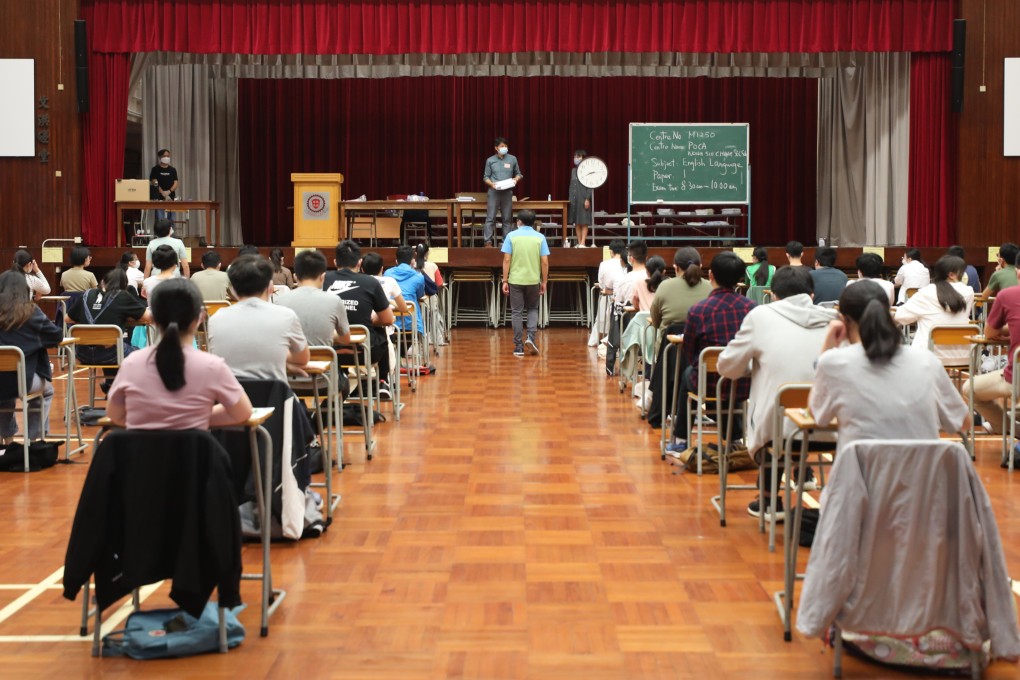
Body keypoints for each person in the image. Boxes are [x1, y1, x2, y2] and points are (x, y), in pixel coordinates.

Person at [718, 267, 835, 519]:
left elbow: (728, 367)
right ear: (811, 295)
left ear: (772, 294)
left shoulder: (760, 315)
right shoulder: (835, 321)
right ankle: (815, 483)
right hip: (831, 429)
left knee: (773, 415)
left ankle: (770, 501)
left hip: (778, 431)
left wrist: (754, 365)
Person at [811, 280, 970, 453]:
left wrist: (827, 348)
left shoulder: (833, 362)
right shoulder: (927, 361)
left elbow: (817, 417)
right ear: (887, 314)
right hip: (922, 476)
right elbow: (963, 422)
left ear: (843, 320)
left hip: (861, 476)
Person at [106, 279, 252, 430]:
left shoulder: (131, 363)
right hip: (194, 452)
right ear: (201, 317)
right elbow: (242, 412)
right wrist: (195, 418)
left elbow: (115, 414)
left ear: (153, 318)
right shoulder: (213, 366)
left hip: (141, 453)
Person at [668, 252, 756, 452]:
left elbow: (690, 353)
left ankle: (681, 439)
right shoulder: (752, 308)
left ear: (710, 276)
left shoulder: (699, 310)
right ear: (740, 279)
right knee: (728, 380)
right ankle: (734, 438)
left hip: (706, 383)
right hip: (746, 383)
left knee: (688, 374)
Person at [208, 255, 309, 382]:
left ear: (232, 290)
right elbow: (302, 359)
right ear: (271, 287)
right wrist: (277, 356)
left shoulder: (216, 319)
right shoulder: (286, 316)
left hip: (227, 399)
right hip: (274, 398)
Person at [324, 240, 396, 398]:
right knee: (380, 331)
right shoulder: (370, 282)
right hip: (364, 351)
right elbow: (388, 320)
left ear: (335, 261)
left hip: (328, 351)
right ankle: (383, 381)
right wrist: (367, 319)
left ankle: (340, 378)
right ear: (359, 262)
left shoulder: (323, 280)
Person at [0, 271, 63, 445]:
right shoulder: (30, 311)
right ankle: (31, 441)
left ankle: (7, 440)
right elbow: (56, 336)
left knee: (4, 396)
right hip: (23, 380)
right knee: (45, 391)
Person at [963, 251, 1020, 441]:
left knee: (968, 388)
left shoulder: (1008, 294)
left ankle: (1008, 429)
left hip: (1016, 378)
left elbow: (988, 333)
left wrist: (1007, 328)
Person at [66, 268, 151, 391]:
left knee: (113, 346)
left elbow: (67, 319)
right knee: (138, 353)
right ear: (124, 285)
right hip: (111, 354)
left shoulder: (87, 294)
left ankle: (111, 383)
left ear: (103, 281)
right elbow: (147, 317)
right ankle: (121, 389)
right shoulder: (122, 295)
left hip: (82, 354)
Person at [894, 255, 973, 365]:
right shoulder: (969, 292)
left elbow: (900, 316)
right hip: (963, 355)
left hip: (928, 357)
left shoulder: (926, 292)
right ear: (951, 275)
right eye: (962, 272)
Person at [276, 249, 351, 347]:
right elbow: (346, 339)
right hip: (324, 361)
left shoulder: (279, 302)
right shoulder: (335, 301)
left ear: (295, 277)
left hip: (291, 361)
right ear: (323, 277)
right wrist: (328, 335)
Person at [501, 209, 549, 357]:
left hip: (515, 280)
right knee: (533, 309)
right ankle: (531, 338)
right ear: (533, 222)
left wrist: (505, 280)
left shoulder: (511, 236)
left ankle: (518, 347)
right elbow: (545, 261)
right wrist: (544, 281)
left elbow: (507, 260)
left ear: (519, 222)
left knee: (517, 312)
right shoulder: (540, 237)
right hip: (533, 280)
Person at [648, 247, 711, 354]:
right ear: (700, 266)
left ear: (675, 268)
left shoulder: (664, 286)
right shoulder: (710, 287)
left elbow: (656, 321)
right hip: (701, 354)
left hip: (667, 352)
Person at [606, 241, 648, 374]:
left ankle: (611, 364)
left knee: (616, 311)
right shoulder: (653, 278)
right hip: (650, 331)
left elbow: (618, 304)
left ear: (630, 259)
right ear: (646, 258)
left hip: (630, 331)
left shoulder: (625, 280)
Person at [482, 136, 523, 247]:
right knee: (490, 217)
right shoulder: (490, 160)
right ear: (496, 148)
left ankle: (506, 242)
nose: (504, 148)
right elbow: (485, 177)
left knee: (507, 218)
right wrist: (491, 184)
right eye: (501, 146)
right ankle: (488, 242)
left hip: (507, 192)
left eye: (505, 146)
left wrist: (516, 179)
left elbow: (519, 174)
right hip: (494, 191)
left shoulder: (512, 159)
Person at [385, 245, 426, 336]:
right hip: (412, 323)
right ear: (412, 260)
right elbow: (420, 295)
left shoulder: (387, 273)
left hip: (391, 323)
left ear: (396, 260)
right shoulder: (418, 276)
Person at [568, 149, 593, 248]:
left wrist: (587, 199)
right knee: (576, 221)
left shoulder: (588, 170)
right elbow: (572, 185)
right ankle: (579, 242)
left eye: (578, 157)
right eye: (575, 157)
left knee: (584, 221)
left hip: (583, 198)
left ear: (583, 158)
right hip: (574, 199)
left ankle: (583, 242)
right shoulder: (573, 170)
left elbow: (590, 186)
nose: (576, 159)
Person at [148, 148, 179, 223]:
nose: (166, 158)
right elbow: (154, 182)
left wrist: (169, 191)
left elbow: (176, 183)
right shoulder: (155, 169)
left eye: (168, 156)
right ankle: (160, 234)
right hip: (159, 198)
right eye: (164, 156)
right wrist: (162, 192)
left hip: (171, 198)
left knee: (172, 219)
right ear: (160, 157)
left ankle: (171, 234)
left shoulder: (173, 170)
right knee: (160, 219)